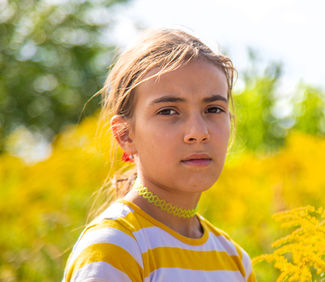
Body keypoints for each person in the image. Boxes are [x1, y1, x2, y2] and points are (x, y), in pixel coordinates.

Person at [62, 29, 256, 282]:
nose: (198, 133)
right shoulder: (114, 248)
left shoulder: (235, 260)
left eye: (213, 109)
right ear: (125, 136)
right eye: (168, 111)